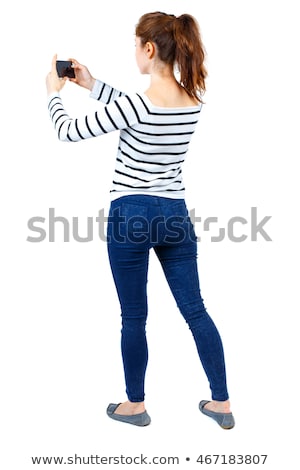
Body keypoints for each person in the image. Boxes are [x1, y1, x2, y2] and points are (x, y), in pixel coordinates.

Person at [46, 11, 235, 429]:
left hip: (131, 214)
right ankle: (221, 402)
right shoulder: (192, 100)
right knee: (196, 311)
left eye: (136, 45)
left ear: (149, 49)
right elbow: (136, 110)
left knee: (134, 317)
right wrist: (91, 84)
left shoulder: (136, 104)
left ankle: (136, 405)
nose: (134, 51)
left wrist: (53, 93)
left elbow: (67, 132)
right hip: (175, 217)